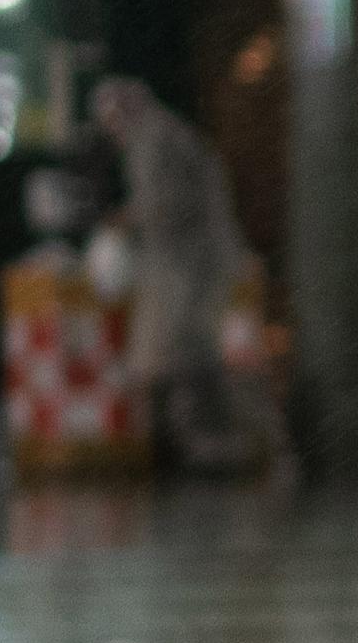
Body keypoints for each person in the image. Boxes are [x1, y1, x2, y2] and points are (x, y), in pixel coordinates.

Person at [90, 78, 274, 475]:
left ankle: (217, 449)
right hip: (193, 262)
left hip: (191, 264)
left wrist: (124, 220)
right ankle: (214, 446)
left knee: (189, 354)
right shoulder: (165, 132)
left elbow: (163, 204)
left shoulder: (153, 138)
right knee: (186, 354)